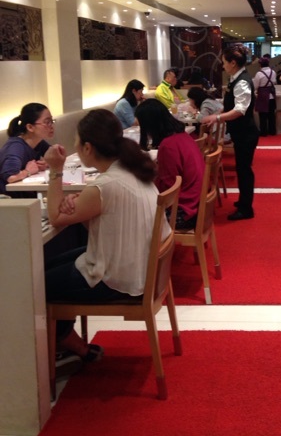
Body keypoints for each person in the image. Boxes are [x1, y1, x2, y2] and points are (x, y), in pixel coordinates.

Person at [43, 109, 165, 365]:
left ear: (87, 147)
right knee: (47, 267)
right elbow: (105, 223)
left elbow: (54, 217)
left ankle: (67, 342)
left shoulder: (105, 185)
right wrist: (81, 206)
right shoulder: (132, 171)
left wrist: (56, 170)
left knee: (37, 284)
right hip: (139, 266)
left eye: (76, 142)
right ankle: (64, 340)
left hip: (116, 277)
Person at [202, 43, 259, 221]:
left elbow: (240, 110)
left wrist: (217, 118)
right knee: (241, 168)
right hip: (241, 132)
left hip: (246, 133)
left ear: (233, 63)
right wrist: (218, 113)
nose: (223, 65)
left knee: (244, 170)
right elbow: (231, 106)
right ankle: (243, 201)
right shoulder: (236, 78)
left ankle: (246, 209)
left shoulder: (242, 82)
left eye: (224, 62)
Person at [135, 98, 205, 230]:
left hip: (184, 211)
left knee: (135, 216)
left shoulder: (168, 146)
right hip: (197, 203)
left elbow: (169, 189)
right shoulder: (183, 136)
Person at [0, 102, 54, 195]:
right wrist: (28, 171)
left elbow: (55, 155)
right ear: (30, 127)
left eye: (52, 121)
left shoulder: (38, 141)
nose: (52, 126)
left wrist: (47, 163)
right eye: (47, 122)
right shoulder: (16, 147)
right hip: (11, 200)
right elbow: (10, 177)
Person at [253, 57, 277, 136]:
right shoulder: (273, 72)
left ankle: (263, 132)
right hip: (272, 95)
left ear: (260, 64)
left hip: (262, 96)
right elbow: (274, 82)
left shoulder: (259, 74)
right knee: (271, 114)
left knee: (263, 115)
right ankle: (272, 131)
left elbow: (255, 86)